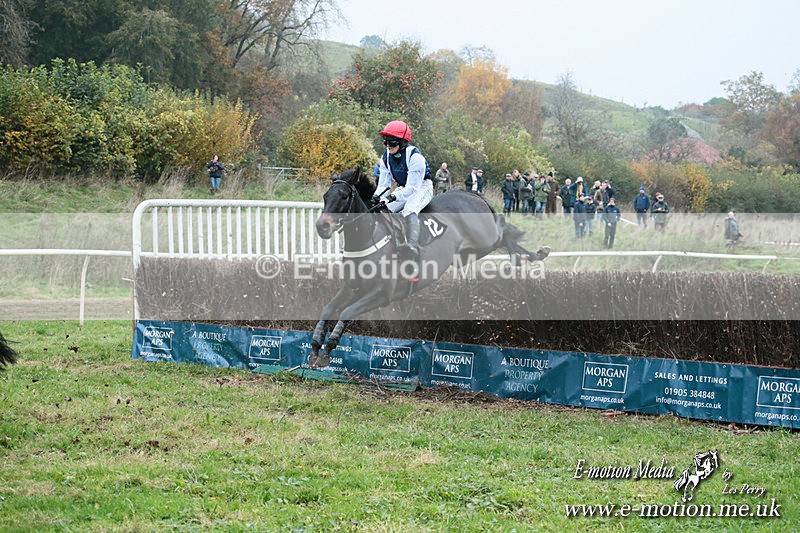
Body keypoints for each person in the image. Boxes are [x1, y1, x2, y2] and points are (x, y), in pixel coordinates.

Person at [372, 120, 433, 263]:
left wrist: (392, 196)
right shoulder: (385, 157)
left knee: (409, 209)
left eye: (392, 142)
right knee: (382, 209)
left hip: (421, 187)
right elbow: (383, 185)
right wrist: (375, 197)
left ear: (402, 142)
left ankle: (412, 246)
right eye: (386, 142)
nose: (388, 146)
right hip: (404, 187)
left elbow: (412, 188)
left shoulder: (415, 157)